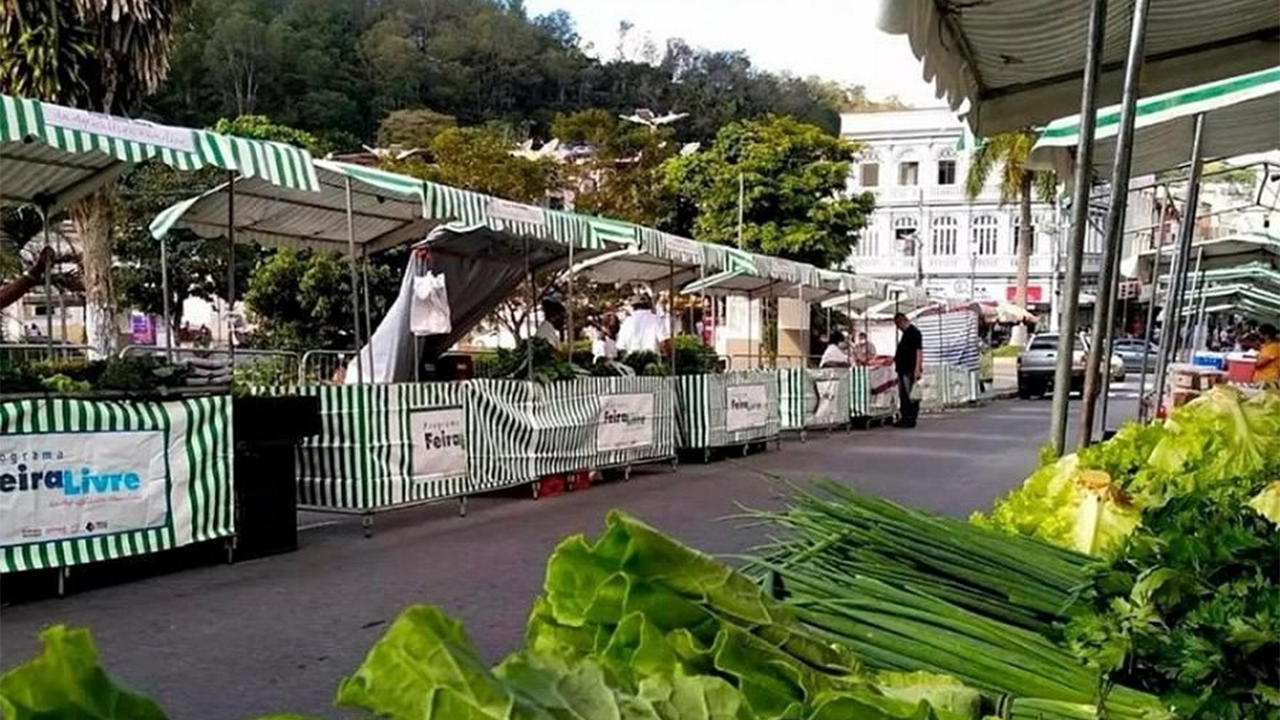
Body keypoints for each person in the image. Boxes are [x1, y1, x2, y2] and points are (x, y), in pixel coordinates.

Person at [893, 312, 924, 428]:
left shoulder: (914, 333)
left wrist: (917, 368)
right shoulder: (906, 334)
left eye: (898, 324)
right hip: (902, 368)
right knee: (903, 395)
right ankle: (905, 417)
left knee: (910, 394)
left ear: (902, 321)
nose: (898, 328)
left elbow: (918, 352)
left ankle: (910, 418)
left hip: (909, 369)